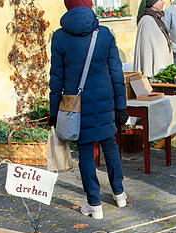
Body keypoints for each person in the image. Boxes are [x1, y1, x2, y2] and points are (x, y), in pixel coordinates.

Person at [50, 0, 128, 220]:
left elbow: (56, 78)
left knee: (85, 151)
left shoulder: (60, 37)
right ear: (89, 5)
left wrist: (54, 111)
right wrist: (121, 105)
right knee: (110, 145)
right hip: (105, 100)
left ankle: (95, 205)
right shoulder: (104, 34)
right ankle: (119, 194)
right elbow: (116, 72)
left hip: (76, 104)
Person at [133, 0, 173, 77]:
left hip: (161, 70)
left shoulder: (156, 19)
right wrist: (150, 75)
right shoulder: (147, 21)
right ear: (153, 3)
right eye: (160, 0)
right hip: (154, 73)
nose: (163, 2)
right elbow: (147, 53)